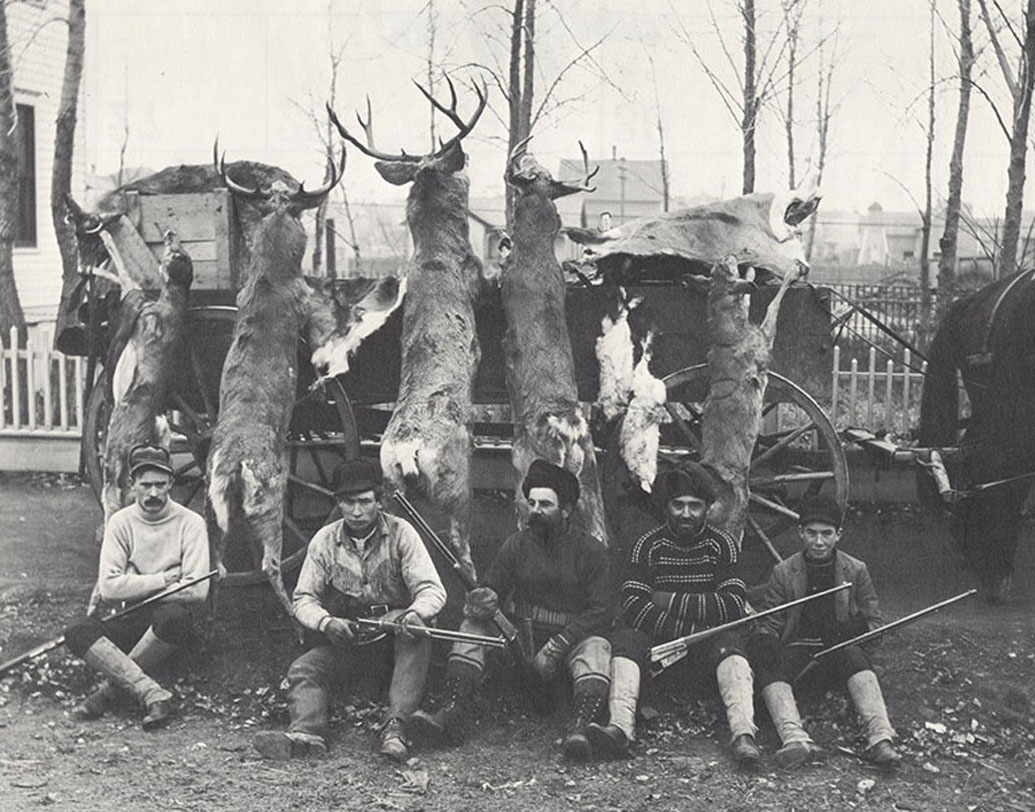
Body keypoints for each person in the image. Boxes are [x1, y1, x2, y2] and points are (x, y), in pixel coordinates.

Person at [409, 459, 612, 760]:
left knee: (597, 647)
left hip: (570, 642)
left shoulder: (590, 550)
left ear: (566, 511)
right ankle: (451, 712)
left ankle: (582, 727)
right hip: (519, 640)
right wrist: (484, 598)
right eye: (531, 503)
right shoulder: (517, 544)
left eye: (546, 504)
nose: (536, 511)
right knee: (472, 628)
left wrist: (559, 644)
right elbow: (494, 586)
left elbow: (601, 610)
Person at [253, 458, 446, 763]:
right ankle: (306, 735)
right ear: (338, 504)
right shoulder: (325, 541)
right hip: (350, 640)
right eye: (348, 502)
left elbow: (432, 589)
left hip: (396, 640)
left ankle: (397, 728)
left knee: (417, 633)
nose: (357, 511)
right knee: (304, 669)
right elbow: (303, 599)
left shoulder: (402, 534)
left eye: (365, 502)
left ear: (379, 501)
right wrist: (326, 622)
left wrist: (413, 613)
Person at [586, 464, 760, 768]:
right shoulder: (647, 545)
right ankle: (620, 728)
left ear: (708, 508)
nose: (686, 514)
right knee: (626, 641)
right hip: (658, 647)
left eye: (695, 506)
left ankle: (744, 734)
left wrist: (668, 599)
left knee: (731, 645)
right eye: (678, 505)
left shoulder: (723, 546)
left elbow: (732, 605)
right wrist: (685, 627)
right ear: (667, 507)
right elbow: (634, 605)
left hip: (710, 646)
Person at [748, 495, 901, 768]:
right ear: (800, 533)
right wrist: (765, 640)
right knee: (770, 666)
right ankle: (794, 739)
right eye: (812, 534)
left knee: (855, 656)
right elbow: (769, 621)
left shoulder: (855, 570)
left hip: (838, 651)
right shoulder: (784, 571)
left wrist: (851, 630)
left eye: (827, 534)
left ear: (838, 535)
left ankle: (881, 739)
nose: (819, 542)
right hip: (798, 651)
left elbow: (876, 623)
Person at [64, 445, 210, 730]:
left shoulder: (191, 523)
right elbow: (108, 589)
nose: (153, 493)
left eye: (160, 484)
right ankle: (150, 692)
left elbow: (197, 591)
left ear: (171, 483)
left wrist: (132, 582)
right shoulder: (120, 523)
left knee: (174, 617)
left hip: (169, 626)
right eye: (145, 485)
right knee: (77, 630)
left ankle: (107, 694)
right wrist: (164, 580)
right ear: (133, 485)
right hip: (131, 618)